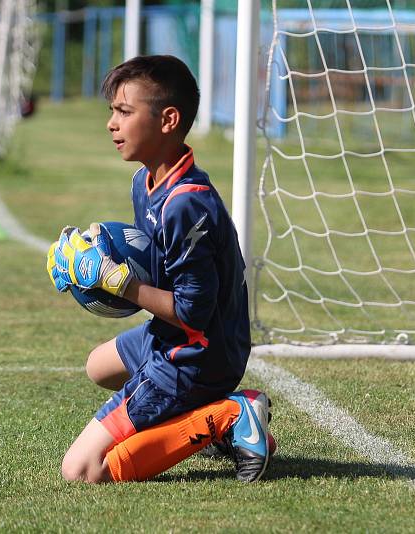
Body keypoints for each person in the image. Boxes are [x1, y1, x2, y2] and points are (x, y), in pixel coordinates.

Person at [46, 55, 273, 483]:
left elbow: (192, 312)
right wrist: (85, 262)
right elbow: (153, 266)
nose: (112, 123)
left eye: (124, 112)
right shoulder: (145, 182)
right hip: (176, 336)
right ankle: (212, 416)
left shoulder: (186, 204)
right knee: (99, 366)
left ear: (168, 119)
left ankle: (227, 416)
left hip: (198, 352)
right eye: (113, 111)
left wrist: (118, 281)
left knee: (81, 470)